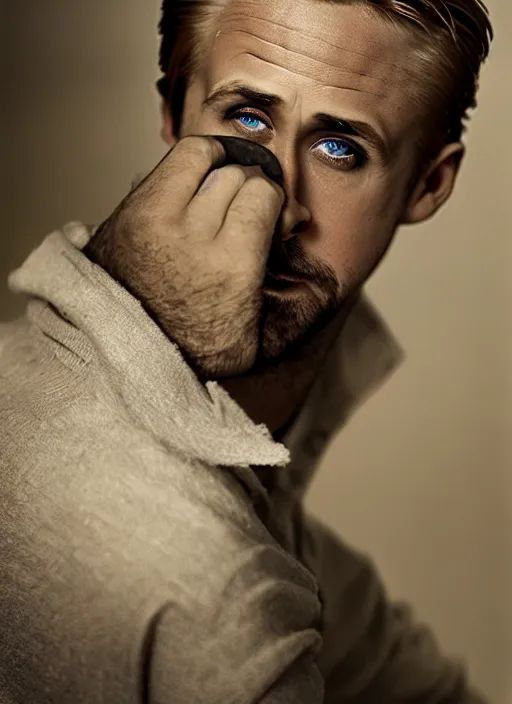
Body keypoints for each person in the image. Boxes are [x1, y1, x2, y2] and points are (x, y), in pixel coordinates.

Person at [0, 0, 494, 701]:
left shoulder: (281, 558)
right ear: (174, 112)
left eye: (339, 149)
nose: (279, 206)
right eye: (248, 119)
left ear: (428, 184)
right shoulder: (214, 592)